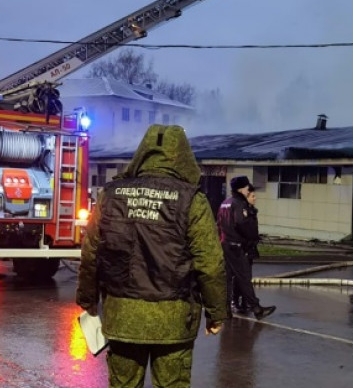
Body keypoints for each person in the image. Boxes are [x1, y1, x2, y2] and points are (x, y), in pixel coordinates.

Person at [76, 125, 228, 388]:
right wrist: (216, 312)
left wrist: (88, 299)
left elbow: (91, 253)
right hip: (174, 320)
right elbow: (210, 264)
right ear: (183, 155)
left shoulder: (111, 195)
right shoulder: (192, 200)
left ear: (143, 153)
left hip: (122, 316)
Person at [217, 176, 275, 320]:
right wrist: (252, 237)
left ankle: (225, 309)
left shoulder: (225, 203)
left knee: (227, 279)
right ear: (241, 189)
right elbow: (241, 223)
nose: (248, 190)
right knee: (243, 277)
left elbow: (219, 224)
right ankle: (257, 309)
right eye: (247, 187)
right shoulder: (239, 203)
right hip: (236, 246)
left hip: (224, 244)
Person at [233, 188, 261, 314]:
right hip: (242, 248)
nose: (255, 198)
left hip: (250, 247)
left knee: (247, 276)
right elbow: (241, 229)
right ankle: (235, 301)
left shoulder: (252, 211)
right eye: (252, 196)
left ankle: (245, 301)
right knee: (240, 276)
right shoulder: (242, 211)